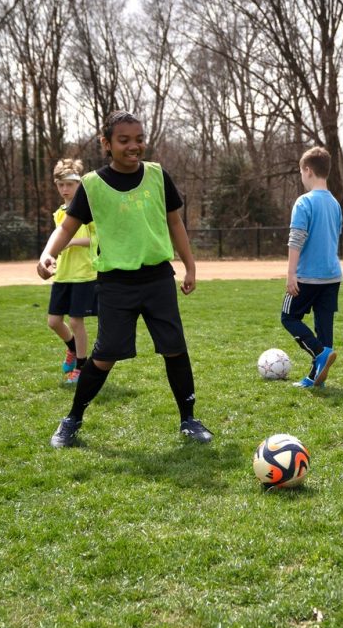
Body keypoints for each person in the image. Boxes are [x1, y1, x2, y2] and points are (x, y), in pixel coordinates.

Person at [37, 110, 213, 447]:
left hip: (158, 278)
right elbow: (67, 226)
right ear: (106, 143)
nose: (134, 146)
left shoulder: (158, 176)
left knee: (175, 349)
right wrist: (50, 254)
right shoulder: (92, 184)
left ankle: (189, 419)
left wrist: (190, 266)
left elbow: (175, 223)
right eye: (124, 140)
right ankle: (72, 419)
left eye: (139, 139)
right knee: (104, 356)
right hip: (116, 283)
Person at [281, 146, 342, 388]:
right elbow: (335, 235)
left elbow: (296, 238)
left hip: (307, 276)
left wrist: (290, 274)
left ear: (308, 171)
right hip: (332, 276)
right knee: (324, 326)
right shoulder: (335, 204)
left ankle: (320, 353)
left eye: (300, 172)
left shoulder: (304, 202)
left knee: (288, 317)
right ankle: (316, 378)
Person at [43, 158, 98, 385]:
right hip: (63, 274)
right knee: (54, 321)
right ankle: (72, 349)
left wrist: (72, 243)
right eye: (60, 185)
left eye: (70, 184)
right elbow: (57, 238)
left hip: (84, 273)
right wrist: (50, 256)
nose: (65, 189)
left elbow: (97, 238)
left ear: (80, 185)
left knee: (76, 322)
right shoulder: (59, 213)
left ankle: (81, 368)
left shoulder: (89, 210)